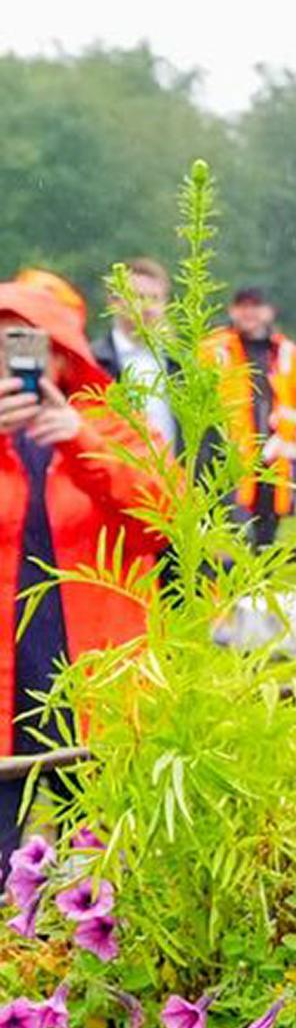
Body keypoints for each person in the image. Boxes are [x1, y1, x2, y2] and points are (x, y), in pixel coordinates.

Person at [0, 272, 163, 854]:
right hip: (8, 667)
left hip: (93, 665)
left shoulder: (114, 425)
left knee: (101, 843)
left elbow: (162, 519)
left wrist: (80, 440)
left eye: (26, 343)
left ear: (64, 353)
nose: (11, 360)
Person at [198, 287, 296, 545]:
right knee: (232, 533)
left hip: (275, 462)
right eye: (242, 305)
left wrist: (286, 432)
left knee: (267, 537)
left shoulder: (286, 353)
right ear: (232, 311)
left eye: (255, 306)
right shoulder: (216, 347)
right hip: (230, 460)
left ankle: (262, 581)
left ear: (269, 312)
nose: (248, 312)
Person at [90, 256, 179, 451]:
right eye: (138, 297)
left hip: (177, 476)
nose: (147, 307)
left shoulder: (182, 363)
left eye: (155, 298)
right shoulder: (94, 361)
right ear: (114, 301)